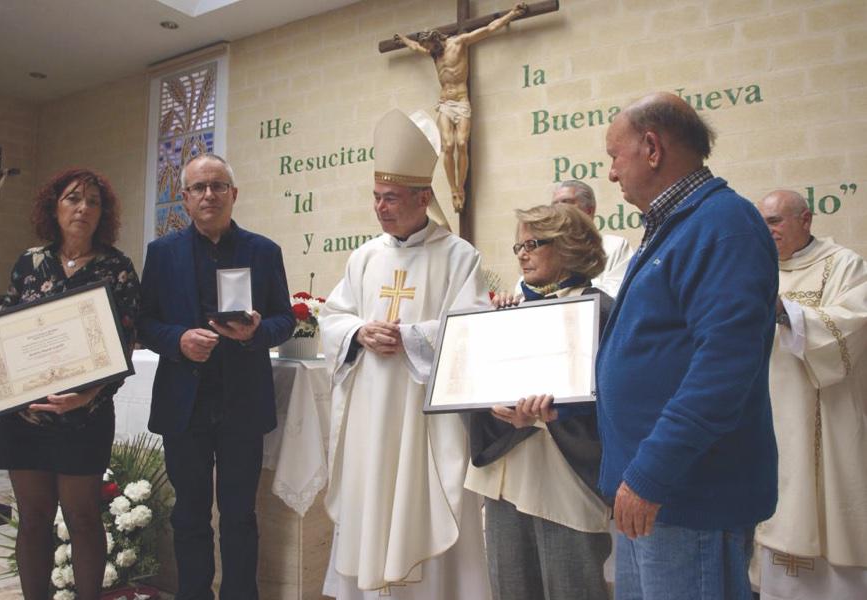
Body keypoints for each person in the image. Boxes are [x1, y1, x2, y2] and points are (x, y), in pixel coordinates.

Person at [595, 92, 779, 599]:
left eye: (614, 155)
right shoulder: (675, 227)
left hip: (683, 494)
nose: (611, 173)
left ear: (652, 148)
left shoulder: (723, 224)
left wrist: (652, 473)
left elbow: (722, 368)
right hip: (654, 493)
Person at [319, 108, 492, 599]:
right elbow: (334, 317)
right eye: (376, 198)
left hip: (423, 420)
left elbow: (471, 327)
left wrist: (412, 338)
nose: (380, 208)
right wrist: (358, 334)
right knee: (372, 498)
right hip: (372, 415)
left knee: (419, 500)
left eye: (390, 198)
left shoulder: (458, 255)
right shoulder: (365, 257)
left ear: (422, 198)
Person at [0, 168, 140, 600]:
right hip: (26, 417)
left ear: (104, 213)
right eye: (72, 198)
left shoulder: (116, 267)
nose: (83, 208)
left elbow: (125, 344)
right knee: (33, 517)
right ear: (54, 206)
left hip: (86, 415)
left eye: (93, 201)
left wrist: (86, 395)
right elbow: (3, 331)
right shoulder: (29, 261)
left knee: (82, 517)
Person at [137, 153, 294, 600]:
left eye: (218, 186)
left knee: (240, 514)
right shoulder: (161, 253)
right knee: (188, 514)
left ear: (234, 194)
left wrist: (256, 331)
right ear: (184, 199)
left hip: (240, 404)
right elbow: (145, 323)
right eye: (199, 188)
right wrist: (178, 340)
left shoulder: (263, 251)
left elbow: (285, 320)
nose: (209, 195)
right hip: (184, 404)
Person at [466, 203, 613, 600]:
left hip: (565, 481)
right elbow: (472, 388)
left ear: (570, 246)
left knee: (572, 590)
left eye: (532, 243)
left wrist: (557, 413)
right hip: (506, 477)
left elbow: (616, 400)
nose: (522, 254)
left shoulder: (600, 311)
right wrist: (493, 405)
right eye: (518, 247)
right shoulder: (507, 310)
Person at [753, 190, 867, 599]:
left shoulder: (844, 266)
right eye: (762, 223)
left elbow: (854, 325)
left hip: (824, 419)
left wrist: (788, 312)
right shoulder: (757, 271)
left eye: (776, 221)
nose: (768, 232)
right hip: (767, 420)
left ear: (806, 219)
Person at [394, 2, 527, 212]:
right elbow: (415, 47)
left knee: (462, 142)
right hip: (445, 104)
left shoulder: (459, 42)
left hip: (461, 102)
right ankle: (454, 189)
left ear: (436, 40)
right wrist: (403, 39)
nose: (428, 52)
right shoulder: (433, 53)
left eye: (430, 47)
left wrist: (511, 14)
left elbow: (489, 29)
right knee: (447, 145)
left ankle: (461, 187)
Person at [513, 180, 633, 298]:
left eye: (566, 203)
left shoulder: (615, 246)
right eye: (554, 205)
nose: (521, 255)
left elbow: (616, 297)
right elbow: (519, 295)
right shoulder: (530, 285)